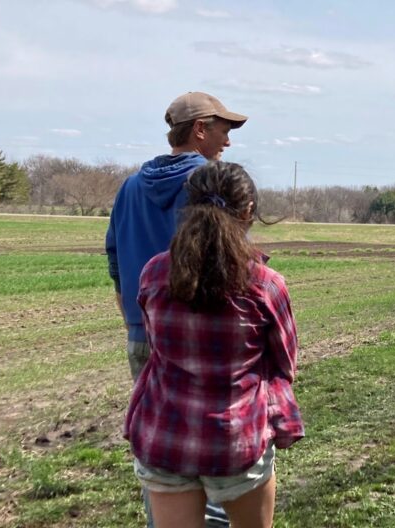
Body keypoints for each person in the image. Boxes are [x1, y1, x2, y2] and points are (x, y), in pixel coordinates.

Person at [126, 161, 303, 528]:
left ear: (188, 208)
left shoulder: (154, 273)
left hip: (166, 435)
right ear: (249, 211)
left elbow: (156, 346)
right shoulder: (266, 285)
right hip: (236, 439)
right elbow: (286, 363)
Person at [105, 91, 247, 527]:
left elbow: (114, 259)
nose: (227, 140)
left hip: (143, 335)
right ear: (200, 128)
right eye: (223, 129)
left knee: (162, 457)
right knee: (214, 455)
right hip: (199, 338)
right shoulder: (208, 185)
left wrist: (137, 319)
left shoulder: (130, 185)